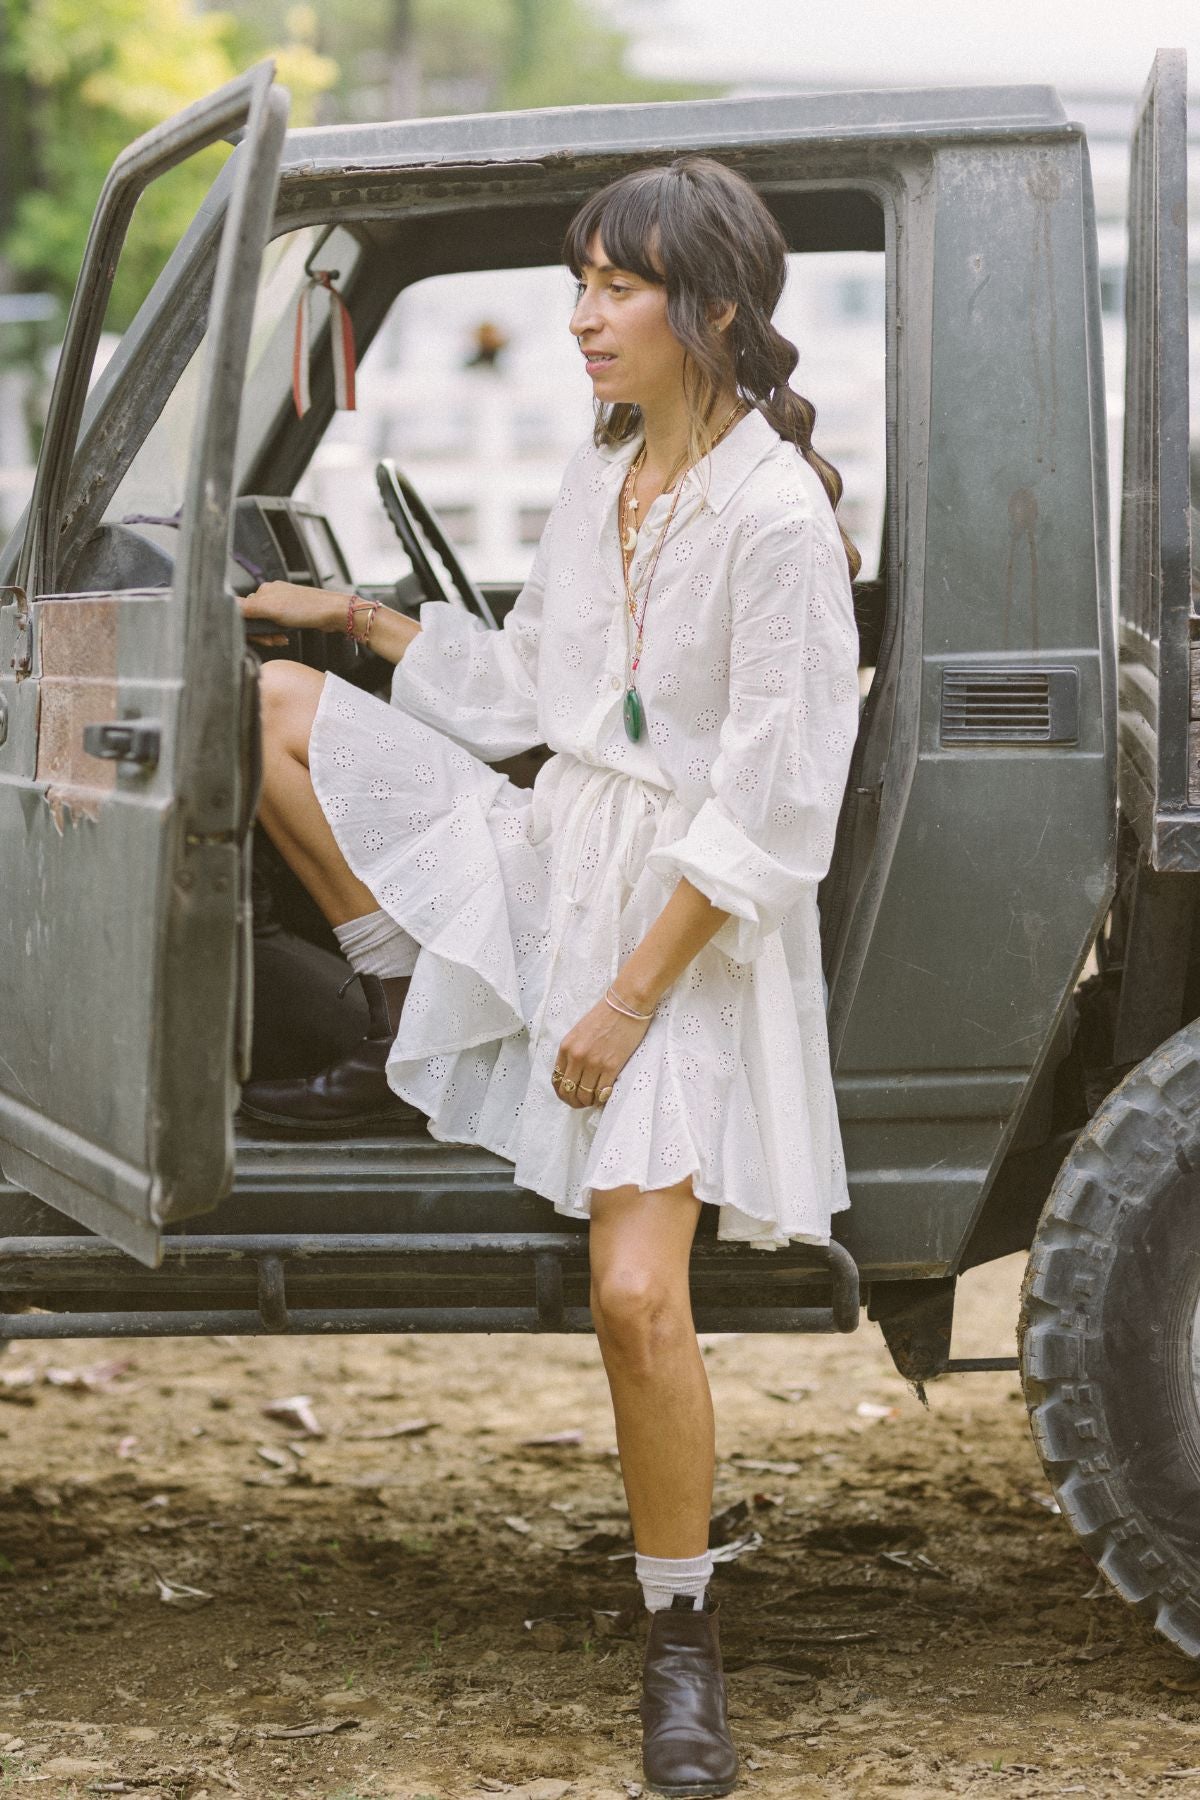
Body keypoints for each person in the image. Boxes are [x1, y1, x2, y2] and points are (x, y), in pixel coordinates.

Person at [238, 155, 861, 1797]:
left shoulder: (779, 514)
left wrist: (628, 994)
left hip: (689, 921)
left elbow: (772, 805)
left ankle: (682, 1643)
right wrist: (351, 620)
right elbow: (527, 695)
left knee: (638, 1295)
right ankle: (396, 1003)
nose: (580, 316)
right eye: (574, 284)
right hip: (559, 839)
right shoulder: (605, 476)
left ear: (711, 310)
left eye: (614, 287)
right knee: (280, 721)